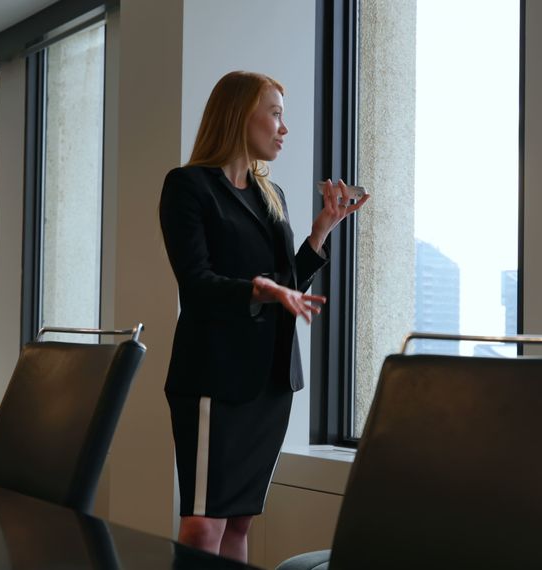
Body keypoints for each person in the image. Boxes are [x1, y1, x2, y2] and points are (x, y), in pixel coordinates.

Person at [158, 70, 369, 562]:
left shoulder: (269, 196)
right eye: (274, 113)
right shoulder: (188, 187)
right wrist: (262, 288)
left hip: (270, 384)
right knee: (202, 527)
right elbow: (197, 282)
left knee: (237, 527)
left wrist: (320, 233)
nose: (283, 128)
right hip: (216, 378)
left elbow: (288, 286)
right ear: (238, 116)